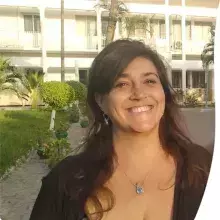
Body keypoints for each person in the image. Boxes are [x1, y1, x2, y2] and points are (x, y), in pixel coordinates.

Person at [30, 39, 212, 220]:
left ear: (163, 93)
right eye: (122, 84)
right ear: (101, 101)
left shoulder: (203, 168)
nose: (139, 94)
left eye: (149, 81)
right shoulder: (65, 182)